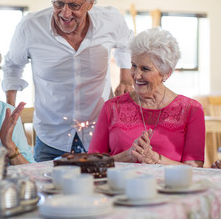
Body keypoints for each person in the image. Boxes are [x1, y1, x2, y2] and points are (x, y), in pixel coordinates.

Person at [2, 0, 134, 162]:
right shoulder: (30, 26)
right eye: (58, 3)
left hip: (99, 134)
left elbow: (127, 45)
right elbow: (12, 66)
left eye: (74, 5)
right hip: (51, 138)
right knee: (46, 190)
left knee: (100, 189)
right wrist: (9, 108)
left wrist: (125, 78)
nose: (65, 12)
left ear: (90, 3)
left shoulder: (110, 20)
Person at [88, 28, 205, 167]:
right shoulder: (111, 107)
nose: (136, 76)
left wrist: (155, 159)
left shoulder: (191, 110)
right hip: (119, 186)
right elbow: (92, 163)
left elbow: (195, 169)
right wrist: (127, 156)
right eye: (134, 66)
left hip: (168, 187)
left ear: (166, 73)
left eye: (145, 69)